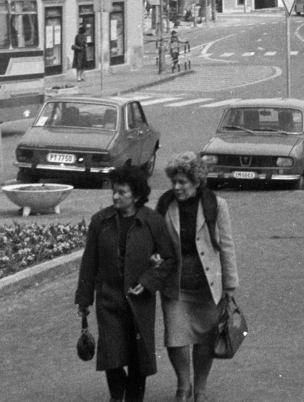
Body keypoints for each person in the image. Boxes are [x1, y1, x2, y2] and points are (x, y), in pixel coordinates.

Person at [76, 164, 178, 402]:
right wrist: (84, 299)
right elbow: (89, 262)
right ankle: (116, 396)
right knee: (110, 354)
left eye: (122, 192)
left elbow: (169, 258)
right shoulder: (100, 221)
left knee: (137, 357)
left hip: (139, 302)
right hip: (108, 299)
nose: (115, 196)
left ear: (137, 195)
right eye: (114, 191)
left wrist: (149, 281)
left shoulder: (152, 221)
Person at [155, 154, 238, 402]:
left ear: (196, 181)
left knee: (205, 338)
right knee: (175, 338)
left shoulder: (216, 205)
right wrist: (154, 258)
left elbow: (226, 245)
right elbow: (155, 240)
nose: (177, 187)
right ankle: (184, 385)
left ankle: (199, 389)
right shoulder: (165, 205)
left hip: (208, 285)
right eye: (174, 182)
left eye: (182, 182)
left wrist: (230, 284)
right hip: (176, 285)